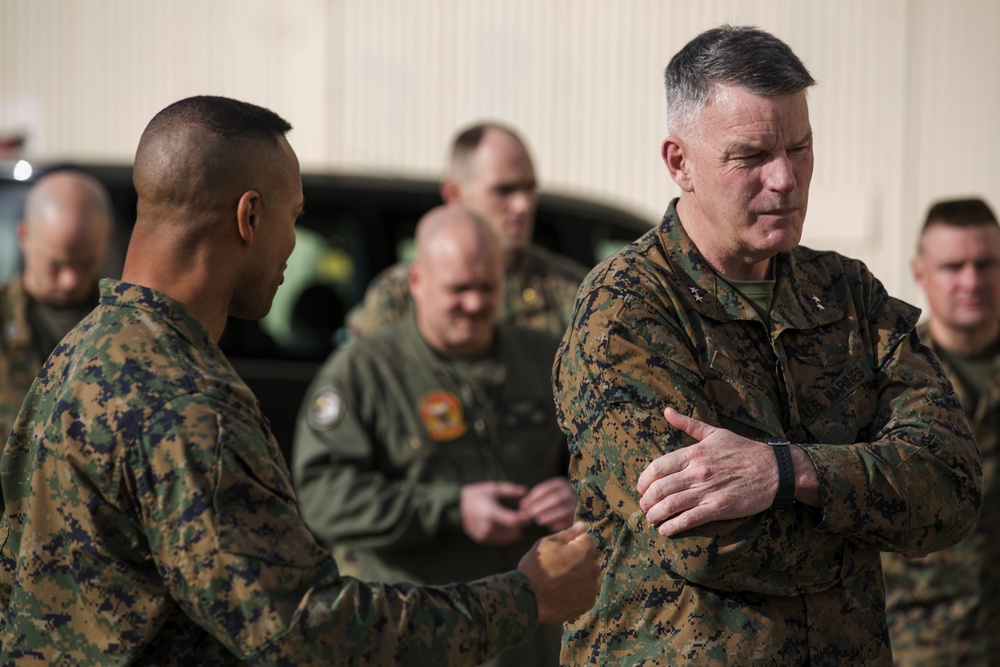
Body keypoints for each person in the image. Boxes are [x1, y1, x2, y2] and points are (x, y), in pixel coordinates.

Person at [0, 95, 600, 665]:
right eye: (294, 218)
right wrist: (526, 597)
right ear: (250, 215)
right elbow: (305, 632)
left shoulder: (84, 350)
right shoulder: (187, 403)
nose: (292, 246)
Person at [552, 25, 982, 666]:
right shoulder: (626, 311)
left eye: (800, 147)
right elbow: (707, 542)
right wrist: (871, 511)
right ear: (680, 163)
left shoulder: (847, 294)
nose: (785, 178)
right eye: (750, 155)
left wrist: (790, 471)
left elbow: (952, 485)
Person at [293, 204, 578, 667]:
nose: (475, 303)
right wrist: (450, 507)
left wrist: (577, 494)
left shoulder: (545, 359)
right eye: (458, 289)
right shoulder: (363, 373)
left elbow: (602, 460)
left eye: (487, 288)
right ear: (418, 284)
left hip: (528, 642)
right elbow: (324, 497)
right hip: (416, 636)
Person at [881, 197, 1000, 666]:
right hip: (919, 646)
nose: (971, 281)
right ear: (921, 271)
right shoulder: (887, 377)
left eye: (986, 263)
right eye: (953, 266)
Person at [344, 122, 588, 340]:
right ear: (454, 193)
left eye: (529, 188)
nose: (523, 205)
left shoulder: (571, 294)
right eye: (504, 190)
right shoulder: (399, 296)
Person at [0, 169, 114, 448]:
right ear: (24, 236)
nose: (70, 280)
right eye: (55, 264)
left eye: (86, 261)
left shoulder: (123, 326)